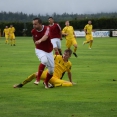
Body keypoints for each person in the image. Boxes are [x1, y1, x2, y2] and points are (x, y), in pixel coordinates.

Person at [31, 18, 54, 88]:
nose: (34, 26)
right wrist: (36, 44)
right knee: (44, 60)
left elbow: (46, 36)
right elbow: (34, 39)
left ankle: (46, 82)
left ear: (40, 24)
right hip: (39, 49)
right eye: (33, 24)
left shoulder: (47, 28)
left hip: (49, 51)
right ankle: (38, 79)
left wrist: (40, 41)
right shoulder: (33, 31)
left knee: (51, 71)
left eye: (35, 24)